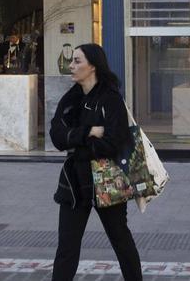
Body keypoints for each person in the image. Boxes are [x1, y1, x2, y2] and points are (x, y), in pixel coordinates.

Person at [50, 43, 142, 281]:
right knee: (67, 247)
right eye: (72, 61)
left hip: (107, 180)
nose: (71, 66)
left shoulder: (110, 99)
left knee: (120, 240)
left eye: (77, 61)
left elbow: (114, 142)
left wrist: (78, 145)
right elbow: (57, 137)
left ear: (92, 66)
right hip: (74, 184)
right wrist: (90, 131)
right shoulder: (70, 100)